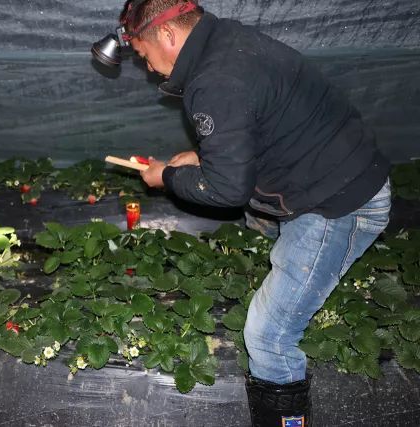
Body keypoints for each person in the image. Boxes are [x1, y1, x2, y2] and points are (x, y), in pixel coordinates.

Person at [94, 0, 391, 425]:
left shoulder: (215, 81)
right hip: (331, 172)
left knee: (268, 336)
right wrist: (202, 156)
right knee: (263, 240)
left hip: (337, 204)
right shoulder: (228, 41)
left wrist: (167, 178)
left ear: (167, 35)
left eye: (142, 55)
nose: (148, 67)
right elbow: (260, 121)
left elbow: (226, 190)